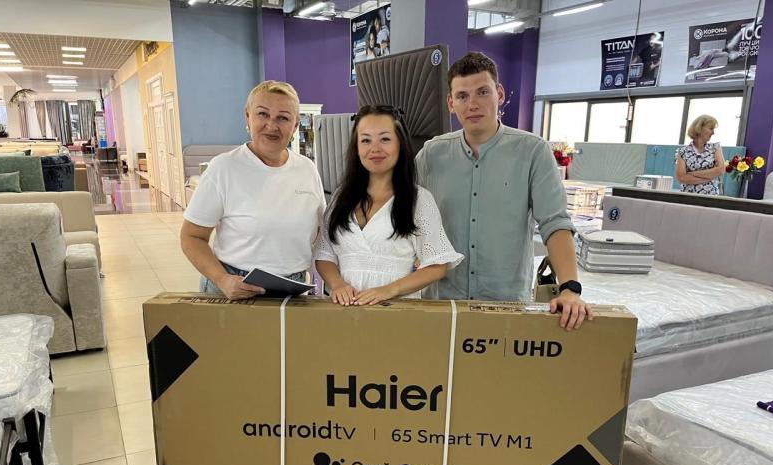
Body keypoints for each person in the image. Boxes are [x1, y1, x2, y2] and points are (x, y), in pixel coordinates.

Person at [416, 52, 591, 330]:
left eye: (482, 92)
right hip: (442, 304)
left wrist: (570, 288)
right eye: (462, 96)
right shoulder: (430, 155)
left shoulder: (533, 151)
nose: (472, 104)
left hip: (506, 307)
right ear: (451, 103)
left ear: (499, 94)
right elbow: (401, 213)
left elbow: (555, 223)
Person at [181, 80, 325, 300]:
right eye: (263, 114)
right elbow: (191, 237)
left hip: (292, 286)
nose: (272, 125)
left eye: (283, 118)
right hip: (234, 285)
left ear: (295, 125)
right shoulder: (224, 168)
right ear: (247, 117)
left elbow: (321, 230)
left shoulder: (307, 169)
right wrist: (222, 279)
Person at [315, 105, 462, 306]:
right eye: (366, 140)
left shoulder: (418, 200)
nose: (375, 148)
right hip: (344, 313)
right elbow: (324, 254)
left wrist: (388, 290)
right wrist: (338, 285)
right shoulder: (341, 197)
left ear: (400, 144)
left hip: (396, 313)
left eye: (385, 139)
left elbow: (438, 265)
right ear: (356, 147)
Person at [675, 114, 726, 195]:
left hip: (711, 197)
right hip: (688, 197)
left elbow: (721, 170)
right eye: (711, 128)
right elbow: (681, 178)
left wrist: (692, 174)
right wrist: (711, 177)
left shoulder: (715, 147)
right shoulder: (682, 151)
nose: (713, 133)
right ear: (699, 128)